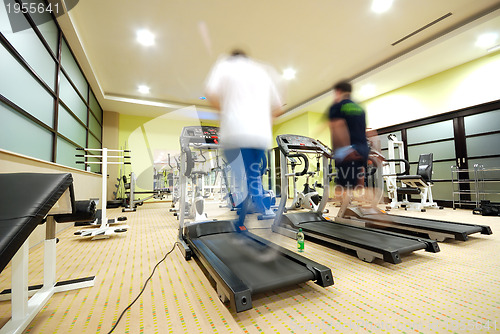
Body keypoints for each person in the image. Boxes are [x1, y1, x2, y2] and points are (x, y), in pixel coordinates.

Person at [205, 49, 283, 230]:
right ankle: (243, 220)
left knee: (244, 179)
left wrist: (223, 114)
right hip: (260, 136)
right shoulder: (264, 70)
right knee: (253, 177)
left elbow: (210, 93)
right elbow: (278, 107)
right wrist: (264, 123)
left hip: (235, 133)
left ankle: (260, 208)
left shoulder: (225, 64)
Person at [327, 80, 370, 195]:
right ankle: (363, 202)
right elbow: (366, 130)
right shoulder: (360, 108)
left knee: (343, 190)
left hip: (348, 152)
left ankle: (370, 198)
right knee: (358, 181)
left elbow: (338, 125)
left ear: (338, 91)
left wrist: (347, 150)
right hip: (362, 149)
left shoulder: (337, 106)